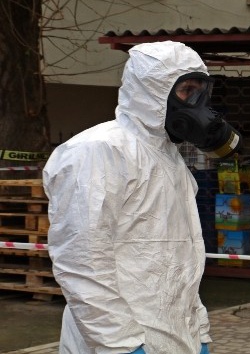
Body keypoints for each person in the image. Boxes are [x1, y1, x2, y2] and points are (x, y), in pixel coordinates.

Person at [42, 41, 237, 353]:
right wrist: (121, 345)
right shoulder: (99, 150)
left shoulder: (171, 161)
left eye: (202, 90)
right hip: (116, 342)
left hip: (175, 338)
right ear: (153, 91)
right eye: (187, 90)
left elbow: (183, 260)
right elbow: (82, 260)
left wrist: (198, 332)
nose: (197, 102)